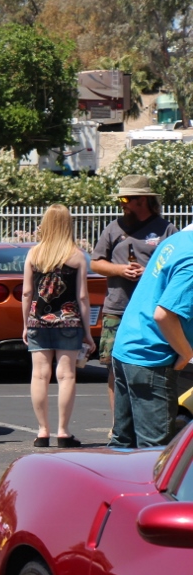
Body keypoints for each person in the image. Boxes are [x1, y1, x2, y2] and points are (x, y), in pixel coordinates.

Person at [90, 174, 177, 410]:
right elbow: (96, 263)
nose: (122, 203)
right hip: (117, 309)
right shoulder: (113, 228)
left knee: (155, 367)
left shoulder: (166, 229)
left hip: (152, 311)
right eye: (121, 198)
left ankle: (149, 419)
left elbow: (175, 267)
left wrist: (148, 272)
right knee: (114, 367)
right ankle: (118, 425)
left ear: (143, 200)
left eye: (127, 198)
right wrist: (119, 270)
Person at [108, 229, 193, 449]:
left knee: (123, 443)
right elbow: (164, 315)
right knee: (154, 450)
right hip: (152, 356)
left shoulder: (178, 240)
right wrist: (185, 352)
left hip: (129, 343)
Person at [22, 204, 94, 448]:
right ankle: (63, 431)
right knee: (66, 376)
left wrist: (25, 324)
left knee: (39, 375)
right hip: (69, 321)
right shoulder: (77, 255)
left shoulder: (34, 254)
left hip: (38, 322)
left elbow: (26, 293)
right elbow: (83, 297)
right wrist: (88, 332)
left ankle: (42, 432)